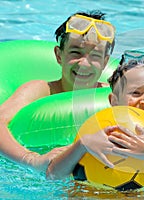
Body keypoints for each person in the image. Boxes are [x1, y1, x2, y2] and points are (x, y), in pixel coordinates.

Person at [46, 50, 144, 184]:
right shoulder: (96, 133)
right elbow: (53, 175)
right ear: (114, 101)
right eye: (136, 93)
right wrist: (82, 145)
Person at [0, 10, 116, 171]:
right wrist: (32, 159)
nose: (84, 63)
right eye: (75, 52)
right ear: (59, 55)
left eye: (95, 56)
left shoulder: (114, 94)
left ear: (105, 62)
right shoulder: (41, 90)